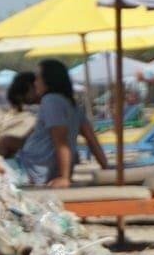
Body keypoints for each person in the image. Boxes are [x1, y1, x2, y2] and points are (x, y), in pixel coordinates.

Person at [12, 60, 109, 188]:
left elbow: (61, 142)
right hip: (37, 170)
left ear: (49, 80)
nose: (35, 83)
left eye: (38, 78)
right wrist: (106, 168)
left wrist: (64, 178)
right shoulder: (72, 105)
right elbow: (91, 139)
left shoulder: (50, 100)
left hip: (31, 170)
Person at [0, 72, 40, 159]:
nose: (27, 103)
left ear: (31, 87)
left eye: (24, 99)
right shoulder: (45, 105)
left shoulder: (50, 104)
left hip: (45, 154)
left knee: (5, 142)